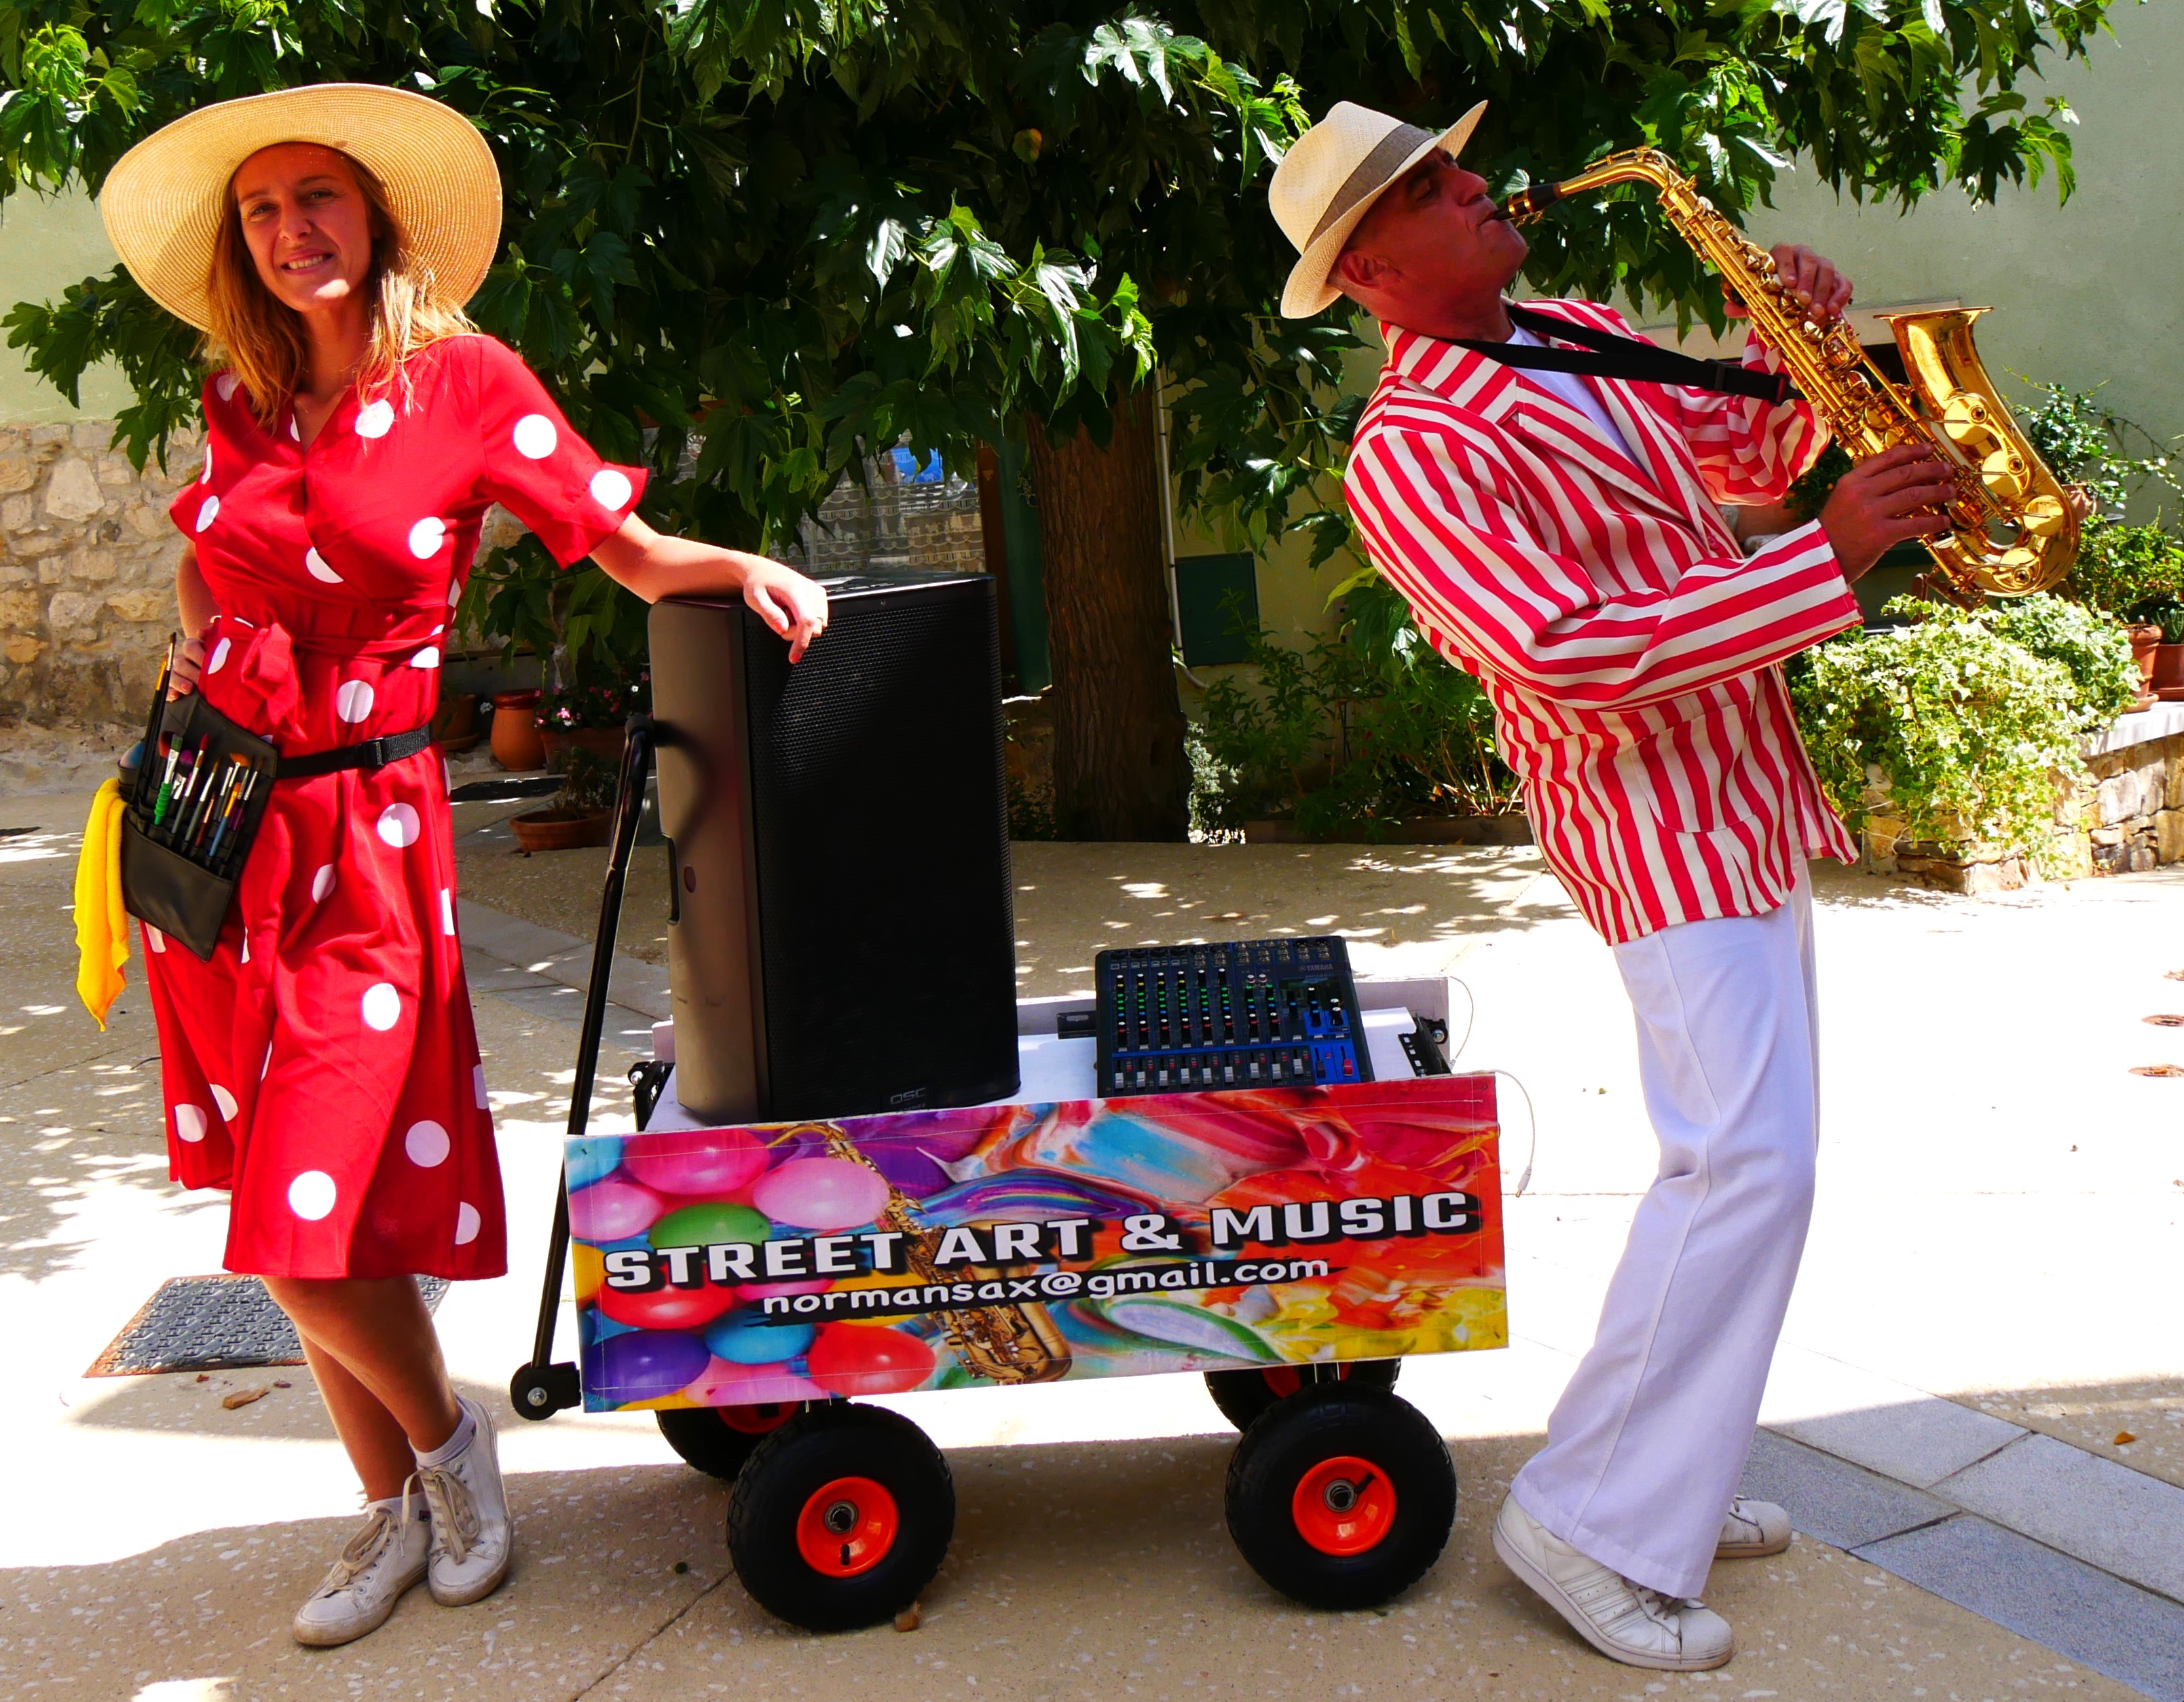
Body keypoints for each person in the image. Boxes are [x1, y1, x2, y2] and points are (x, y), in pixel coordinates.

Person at [98, 84, 829, 1648]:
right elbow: (200, 550)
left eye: (318, 199)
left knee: (293, 1228)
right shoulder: (242, 393)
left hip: (366, 842)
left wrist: (742, 566)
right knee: (317, 1217)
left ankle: (449, 1452)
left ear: (375, 214)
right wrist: (189, 663)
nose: (293, 231)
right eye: (261, 211)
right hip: (221, 845)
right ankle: (388, 1515)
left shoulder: (464, 383)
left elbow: (616, 546)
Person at [1267, 104, 1957, 1673]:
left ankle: (1668, 1475)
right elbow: (1563, 654)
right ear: (1371, 266)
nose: (1475, 185)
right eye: (1434, 189)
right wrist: (1824, 558)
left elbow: (1742, 456)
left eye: (1453, 165)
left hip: (1740, 784)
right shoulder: (1411, 451)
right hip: (1653, 818)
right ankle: (1589, 1519)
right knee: (1746, 1166)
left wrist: (1790, 350)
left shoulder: (1566, 333)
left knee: (1732, 1155)